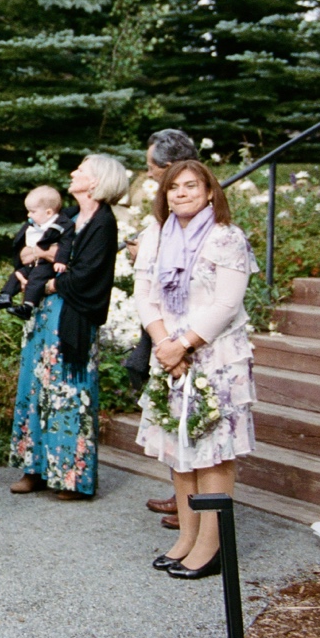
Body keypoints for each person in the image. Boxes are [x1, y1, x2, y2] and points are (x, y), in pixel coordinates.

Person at [135, 160, 257, 579]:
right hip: (169, 353)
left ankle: (211, 545)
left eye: (191, 186)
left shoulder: (227, 238)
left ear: (209, 192)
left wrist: (184, 344)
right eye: (174, 187)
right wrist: (163, 342)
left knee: (213, 448)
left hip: (215, 354)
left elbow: (227, 303)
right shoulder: (157, 236)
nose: (181, 193)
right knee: (179, 446)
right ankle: (186, 538)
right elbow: (145, 294)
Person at [8, 154, 129, 500]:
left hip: (72, 316)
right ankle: (36, 468)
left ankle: (71, 477)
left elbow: (90, 273)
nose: (73, 173)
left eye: (81, 170)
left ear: (96, 181)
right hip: (45, 317)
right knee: (36, 387)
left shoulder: (103, 222)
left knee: (68, 392)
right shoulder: (73, 217)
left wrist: (49, 285)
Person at [126, 129, 201, 528]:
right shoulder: (163, 214)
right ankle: (182, 496)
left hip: (187, 331)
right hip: (160, 321)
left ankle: (192, 504)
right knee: (170, 411)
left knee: (190, 416)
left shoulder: (199, 217)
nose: (148, 174)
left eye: (152, 168)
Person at [0, 185, 72, 321]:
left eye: (32, 212)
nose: (29, 215)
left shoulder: (62, 225)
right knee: (16, 275)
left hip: (46, 265)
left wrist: (61, 261)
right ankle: (5, 295)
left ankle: (27, 306)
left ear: (48, 213)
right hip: (32, 262)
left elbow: (66, 245)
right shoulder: (34, 224)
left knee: (36, 279)